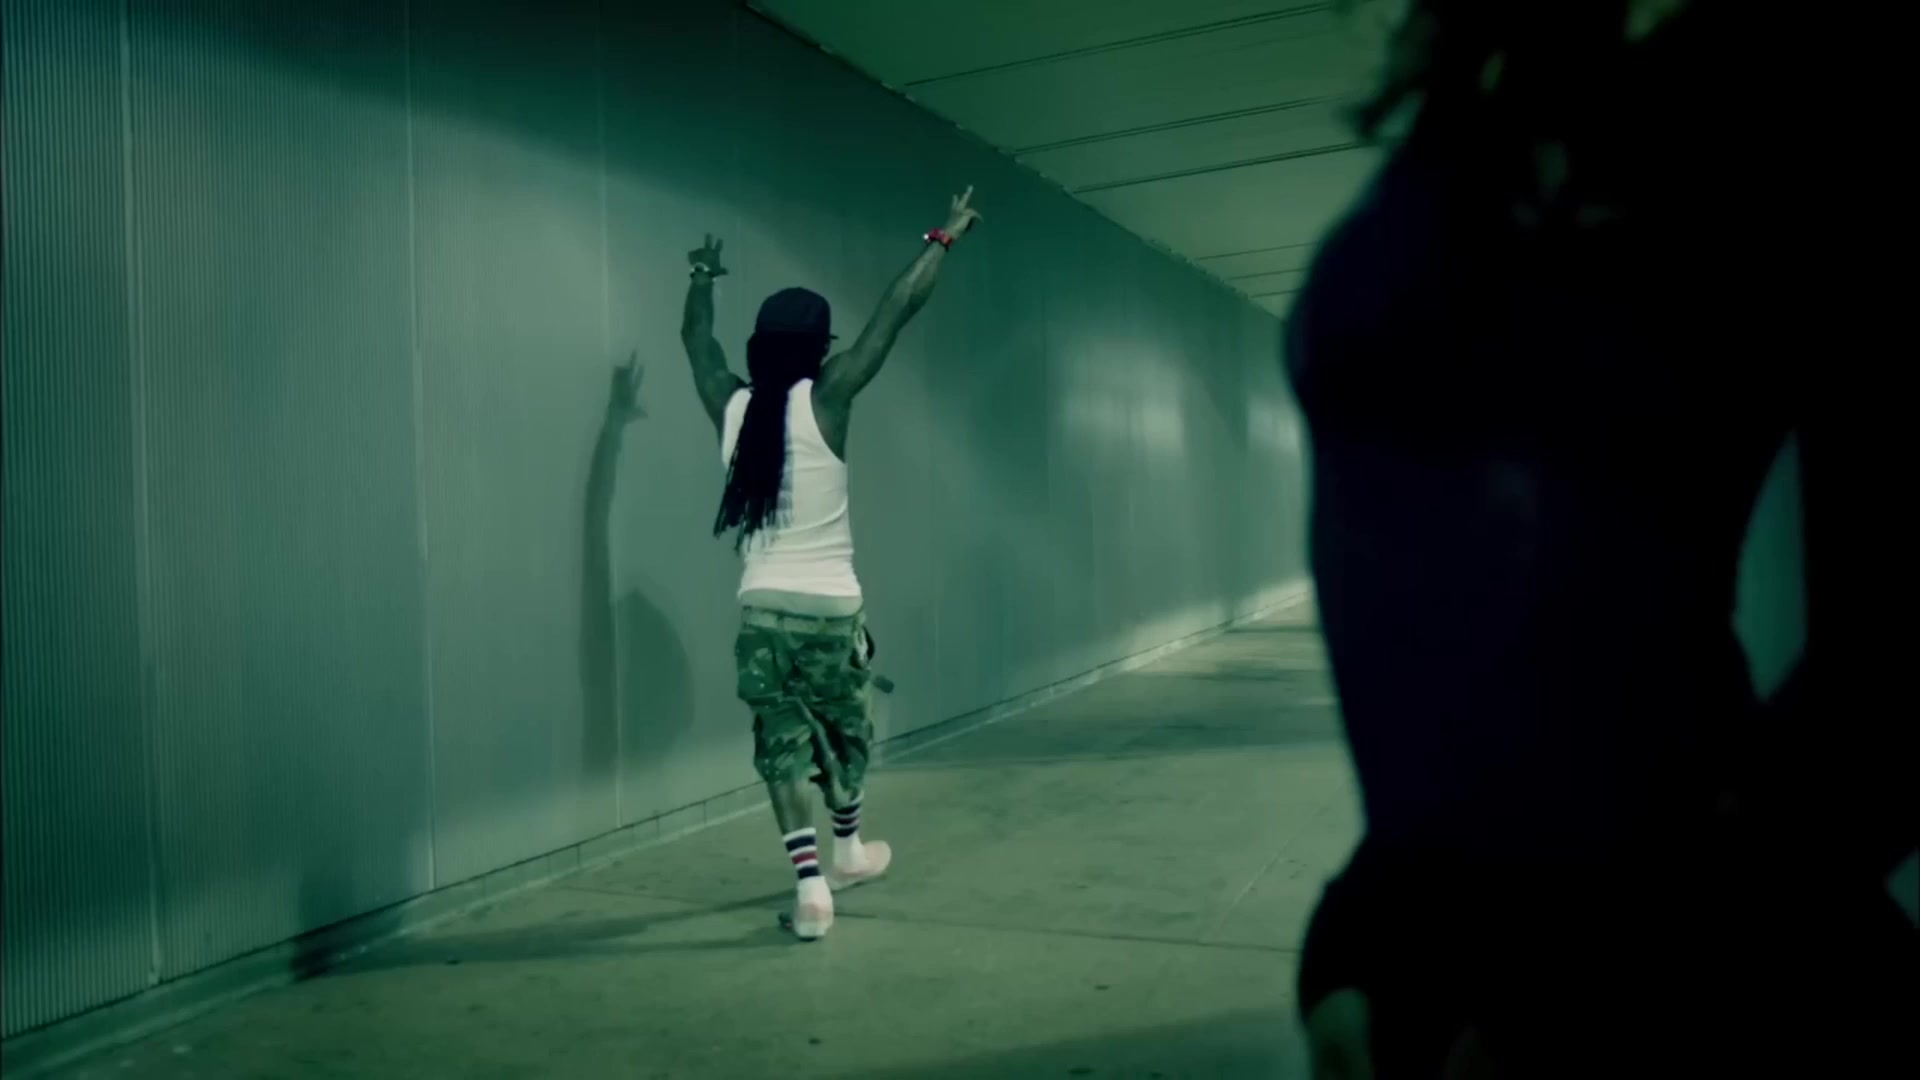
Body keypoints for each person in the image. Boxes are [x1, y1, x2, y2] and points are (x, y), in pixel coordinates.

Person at [1286, 2, 1910, 1076]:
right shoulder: (1486, 76)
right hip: (1434, 957)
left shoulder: (1787, 93)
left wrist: (1608, 966)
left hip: (1687, 988)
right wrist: (1376, 913)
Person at [679, 188, 983, 941]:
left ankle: (815, 884)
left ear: (760, 347)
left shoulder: (729, 404)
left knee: (780, 747)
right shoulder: (831, 397)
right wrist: (943, 236)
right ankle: (847, 846)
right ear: (819, 349)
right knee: (847, 734)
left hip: (762, 610)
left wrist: (701, 275)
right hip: (831, 610)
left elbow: (697, 342)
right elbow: (895, 311)